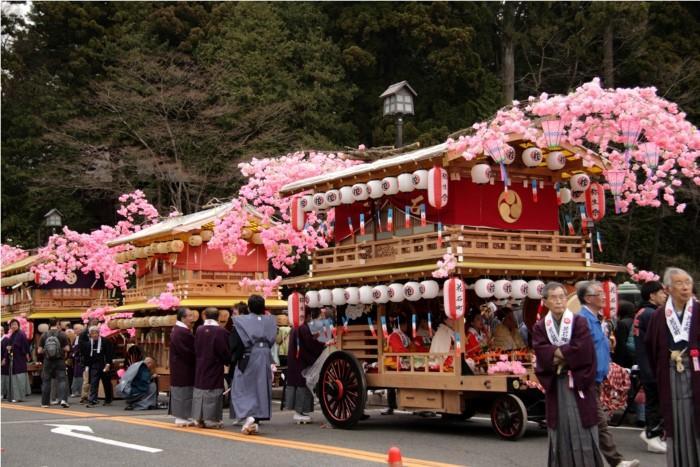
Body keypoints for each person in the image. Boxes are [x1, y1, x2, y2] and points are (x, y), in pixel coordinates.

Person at [533, 281, 603, 467]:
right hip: (557, 383)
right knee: (560, 427)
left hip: (578, 380)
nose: (559, 301)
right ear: (545, 301)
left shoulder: (579, 321)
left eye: (562, 297)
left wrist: (558, 354)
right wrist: (564, 353)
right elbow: (541, 350)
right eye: (554, 298)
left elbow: (584, 349)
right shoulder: (541, 326)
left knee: (583, 425)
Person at [577, 281, 639, 467]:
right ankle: (616, 461)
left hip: (598, 378)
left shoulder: (596, 319)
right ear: (588, 298)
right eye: (599, 294)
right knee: (599, 420)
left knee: (593, 420)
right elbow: (579, 350)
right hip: (587, 379)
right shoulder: (583, 320)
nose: (604, 297)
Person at [646, 268, 700, 466]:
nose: (685, 287)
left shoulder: (698, 310)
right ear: (668, 288)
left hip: (696, 373)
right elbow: (651, 348)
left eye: (688, 282)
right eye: (679, 283)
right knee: (676, 422)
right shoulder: (659, 316)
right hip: (669, 372)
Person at [231, 295, 277, 435]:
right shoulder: (271, 320)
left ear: (249, 307)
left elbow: (237, 343)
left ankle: (249, 416)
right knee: (261, 387)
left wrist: (234, 358)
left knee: (241, 387)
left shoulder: (241, 321)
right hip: (265, 354)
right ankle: (256, 419)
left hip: (250, 355)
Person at [633, 280, 667, 453]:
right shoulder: (652, 314)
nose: (664, 295)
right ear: (652, 295)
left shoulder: (642, 312)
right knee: (656, 402)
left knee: (654, 401)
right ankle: (652, 434)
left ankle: (653, 435)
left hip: (645, 364)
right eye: (661, 292)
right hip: (653, 366)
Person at [285, 308, 325, 423]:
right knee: (302, 384)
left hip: (297, 360)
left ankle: (300, 412)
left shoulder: (297, 327)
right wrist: (321, 343)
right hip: (301, 361)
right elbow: (310, 344)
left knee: (300, 384)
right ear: (307, 316)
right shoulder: (302, 327)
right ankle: (299, 412)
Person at [192, 308, 230, 429]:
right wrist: (228, 361)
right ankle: (213, 419)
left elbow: (196, 347)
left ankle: (199, 418)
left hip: (200, 363)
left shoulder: (199, 329)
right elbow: (224, 350)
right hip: (214, 364)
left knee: (200, 389)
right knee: (213, 390)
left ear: (204, 316)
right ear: (218, 317)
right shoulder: (221, 331)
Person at [169, 307, 196, 427]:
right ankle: (181, 417)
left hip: (180, 365)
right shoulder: (181, 332)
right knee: (183, 391)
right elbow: (187, 351)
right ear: (183, 318)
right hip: (183, 366)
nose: (192, 318)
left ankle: (183, 416)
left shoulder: (179, 330)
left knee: (183, 391)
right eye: (190, 316)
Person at [38, 319, 70, 408]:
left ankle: (44, 403)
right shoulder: (62, 334)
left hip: (47, 361)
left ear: (49, 324)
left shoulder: (44, 335)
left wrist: (47, 350)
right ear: (57, 324)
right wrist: (59, 349)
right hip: (59, 360)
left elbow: (39, 350)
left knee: (46, 381)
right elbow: (67, 348)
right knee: (62, 380)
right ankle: (63, 400)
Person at [2, 319, 31, 403]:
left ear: (18, 325)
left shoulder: (21, 334)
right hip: (14, 359)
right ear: (10, 326)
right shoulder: (13, 334)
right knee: (15, 378)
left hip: (19, 359)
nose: (13, 326)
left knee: (19, 378)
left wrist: (11, 347)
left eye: (15, 324)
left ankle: (19, 397)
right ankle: (17, 396)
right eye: (12, 325)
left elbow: (23, 346)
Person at [84, 325, 113, 408]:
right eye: (92, 333)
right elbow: (86, 356)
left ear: (99, 333)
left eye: (96, 333)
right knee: (93, 382)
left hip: (104, 364)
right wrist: (86, 367)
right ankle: (92, 400)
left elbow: (109, 353)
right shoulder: (89, 343)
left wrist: (108, 364)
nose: (94, 335)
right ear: (90, 334)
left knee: (106, 382)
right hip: (94, 365)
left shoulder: (105, 341)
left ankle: (108, 399)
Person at [613, 300, 636, 369]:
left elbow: (621, 345)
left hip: (625, 361)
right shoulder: (635, 321)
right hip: (634, 358)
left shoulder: (622, 323)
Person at [69, 323, 84, 397]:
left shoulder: (83, 337)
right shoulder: (76, 338)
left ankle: (79, 391)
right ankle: (75, 391)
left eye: (75, 328)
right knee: (76, 375)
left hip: (80, 360)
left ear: (81, 330)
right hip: (76, 360)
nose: (74, 330)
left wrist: (74, 354)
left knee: (80, 375)